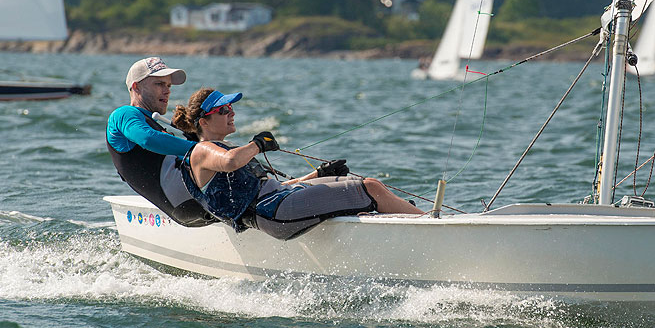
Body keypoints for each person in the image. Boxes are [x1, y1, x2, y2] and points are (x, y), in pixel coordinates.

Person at [171, 87, 423, 240]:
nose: (232, 112)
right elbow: (230, 162)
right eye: (223, 110)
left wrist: (316, 175)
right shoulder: (202, 151)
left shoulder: (225, 149)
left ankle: (404, 218)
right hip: (273, 213)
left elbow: (271, 187)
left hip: (278, 202)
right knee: (370, 187)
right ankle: (432, 225)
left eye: (231, 107)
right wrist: (258, 144)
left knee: (360, 185)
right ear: (203, 122)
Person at [106, 57, 212, 227]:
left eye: (169, 86)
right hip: (187, 206)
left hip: (196, 200)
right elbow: (147, 139)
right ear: (136, 86)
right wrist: (205, 150)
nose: (167, 91)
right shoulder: (124, 114)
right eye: (159, 84)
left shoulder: (156, 122)